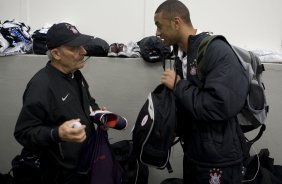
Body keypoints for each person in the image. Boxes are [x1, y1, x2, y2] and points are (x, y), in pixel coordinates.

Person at [154, 1, 249, 183]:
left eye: (159, 25)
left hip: (219, 160)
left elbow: (219, 105)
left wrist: (178, 85)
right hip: (194, 154)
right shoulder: (182, 54)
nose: (157, 33)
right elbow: (188, 104)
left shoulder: (216, 50)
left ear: (176, 22)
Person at [14, 22, 101, 184]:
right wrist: (57, 134)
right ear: (56, 53)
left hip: (84, 162)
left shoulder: (75, 74)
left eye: (82, 46)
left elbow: (88, 101)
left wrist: (98, 114)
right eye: (75, 48)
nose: (83, 51)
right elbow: (23, 132)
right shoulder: (41, 85)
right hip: (60, 173)